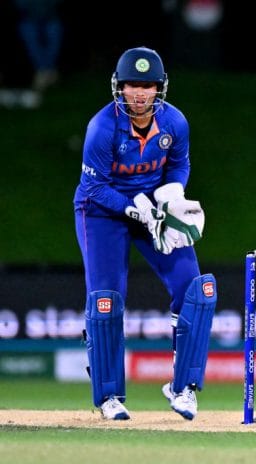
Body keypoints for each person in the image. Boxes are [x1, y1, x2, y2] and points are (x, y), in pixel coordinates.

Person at [73, 46, 217, 421]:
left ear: (159, 88)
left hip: (154, 210)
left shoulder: (175, 123)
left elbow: (179, 165)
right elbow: (94, 187)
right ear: (119, 88)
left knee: (196, 290)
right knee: (106, 299)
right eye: (132, 86)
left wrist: (173, 196)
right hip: (101, 212)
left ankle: (183, 387)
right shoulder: (102, 128)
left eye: (147, 86)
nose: (139, 94)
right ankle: (109, 395)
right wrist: (133, 208)